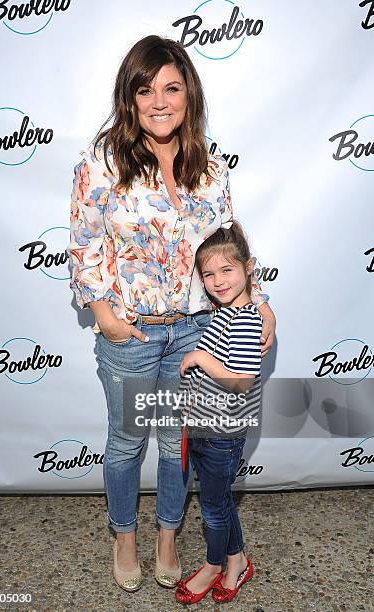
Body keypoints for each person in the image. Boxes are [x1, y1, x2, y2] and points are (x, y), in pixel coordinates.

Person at [68, 34, 276, 592]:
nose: (159, 101)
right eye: (145, 89)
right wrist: (103, 313)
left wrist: (256, 301)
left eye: (171, 88)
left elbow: (227, 246)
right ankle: (124, 537)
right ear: (129, 98)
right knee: (126, 442)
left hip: (196, 331)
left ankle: (166, 535)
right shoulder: (104, 159)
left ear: (190, 94)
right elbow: (85, 242)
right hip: (130, 333)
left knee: (175, 441)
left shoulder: (208, 166)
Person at [175, 222, 261, 605]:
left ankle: (214, 565)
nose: (217, 281)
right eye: (208, 274)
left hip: (222, 436)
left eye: (227, 270)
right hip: (204, 427)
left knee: (212, 507)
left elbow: (242, 381)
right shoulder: (223, 312)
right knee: (221, 499)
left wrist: (199, 358)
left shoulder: (244, 320)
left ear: (248, 269)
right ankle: (237, 560)